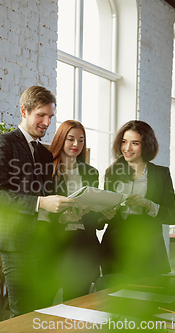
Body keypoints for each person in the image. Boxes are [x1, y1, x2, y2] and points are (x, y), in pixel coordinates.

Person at [0, 85, 76, 317]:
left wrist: (62, 209)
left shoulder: (46, 154)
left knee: (43, 309)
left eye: (50, 116)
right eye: (41, 115)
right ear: (24, 111)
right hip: (15, 243)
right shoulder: (2, 143)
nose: (47, 122)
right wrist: (40, 203)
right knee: (22, 312)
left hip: (44, 243)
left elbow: (46, 195)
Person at [101, 120, 175, 279]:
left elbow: (172, 216)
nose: (127, 148)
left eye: (134, 143)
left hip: (148, 249)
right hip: (115, 248)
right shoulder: (111, 172)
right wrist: (106, 212)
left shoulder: (161, 174)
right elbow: (104, 211)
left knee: (147, 298)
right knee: (112, 300)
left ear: (146, 145)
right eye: (124, 142)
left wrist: (147, 204)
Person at [49, 120, 116, 300]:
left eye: (81, 140)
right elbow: (40, 210)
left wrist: (103, 217)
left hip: (84, 247)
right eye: (71, 139)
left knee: (78, 304)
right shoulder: (48, 170)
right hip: (55, 245)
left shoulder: (91, 173)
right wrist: (64, 218)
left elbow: (92, 216)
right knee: (45, 304)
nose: (76, 145)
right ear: (61, 139)